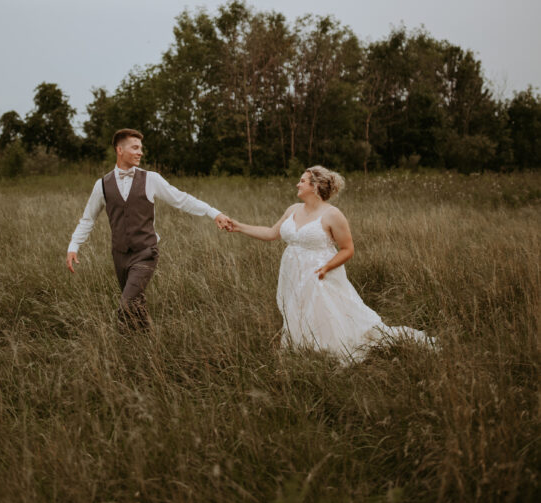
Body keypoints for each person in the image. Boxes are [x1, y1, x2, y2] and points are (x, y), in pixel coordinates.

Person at [226, 165, 435, 363]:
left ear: (315, 186)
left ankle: (328, 351)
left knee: (324, 312)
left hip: (320, 272)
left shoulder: (333, 215)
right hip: (292, 271)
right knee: (297, 309)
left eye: (302, 181)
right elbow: (272, 233)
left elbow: (348, 249)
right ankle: (302, 348)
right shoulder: (293, 209)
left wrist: (326, 267)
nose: (298, 184)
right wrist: (239, 227)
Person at [67, 128, 231, 330]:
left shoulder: (151, 179)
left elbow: (181, 199)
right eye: (135, 148)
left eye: (141, 148)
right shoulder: (102, 184)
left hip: (146, 251)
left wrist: (214, 213)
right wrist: (74, 245)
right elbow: (87, 219)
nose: (140, 152)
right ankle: (147, 341)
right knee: (136, 304)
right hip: (119, 255)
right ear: (120, 150)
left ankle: (122, 342)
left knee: (126, 304)